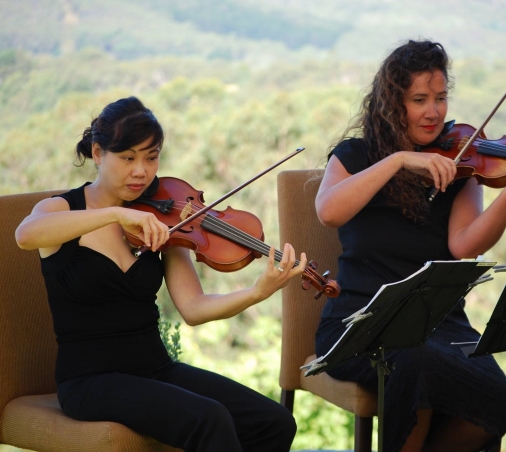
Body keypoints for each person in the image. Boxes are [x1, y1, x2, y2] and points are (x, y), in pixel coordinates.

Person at [15, 96, 306, 452]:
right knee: (207, 418)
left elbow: (194, 308)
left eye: (151, 158)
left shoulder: (165, 219)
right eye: (128, 158)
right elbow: (25, 235)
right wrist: (116, 215)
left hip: (155, 368)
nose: (141, 171)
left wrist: (257, 292)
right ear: (97, 153)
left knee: (273, 422)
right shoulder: (61, 210)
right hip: (89, 380)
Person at [314, 40, 506, 452]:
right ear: (393, 103)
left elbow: (464, 246)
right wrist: (398, 161)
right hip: (362, 322)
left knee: (495, 398)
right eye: (419, 99)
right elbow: (328, 212)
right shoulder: (357, 154)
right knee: (415, 362)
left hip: (441, 324)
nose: (434, 112)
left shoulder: (462, 159)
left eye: (441, 98)